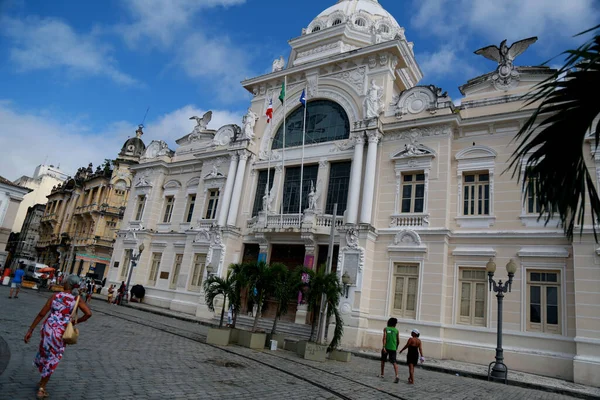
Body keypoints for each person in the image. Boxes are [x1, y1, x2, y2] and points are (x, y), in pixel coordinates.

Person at [24, 274, 92, 399]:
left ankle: (42, 380)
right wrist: (75, 322)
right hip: (61, 332)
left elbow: (41, 314)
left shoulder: (55, 296)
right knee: (53, 358)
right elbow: (88, 313)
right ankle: (42, 388)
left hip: (48, 329)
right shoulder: (76, 299)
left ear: (67, 284)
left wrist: (30, 329)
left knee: (45, 353)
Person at [380, 317, 400, 383]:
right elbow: (398, 340)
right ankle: (397, 375)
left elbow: (384, 338)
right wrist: (396, 347)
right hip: (393, 348)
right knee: (394, 362)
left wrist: (384, 347)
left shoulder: (386, 329)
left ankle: (382, 374)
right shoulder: (396, 331)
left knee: (383, 361)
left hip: (386, 347)